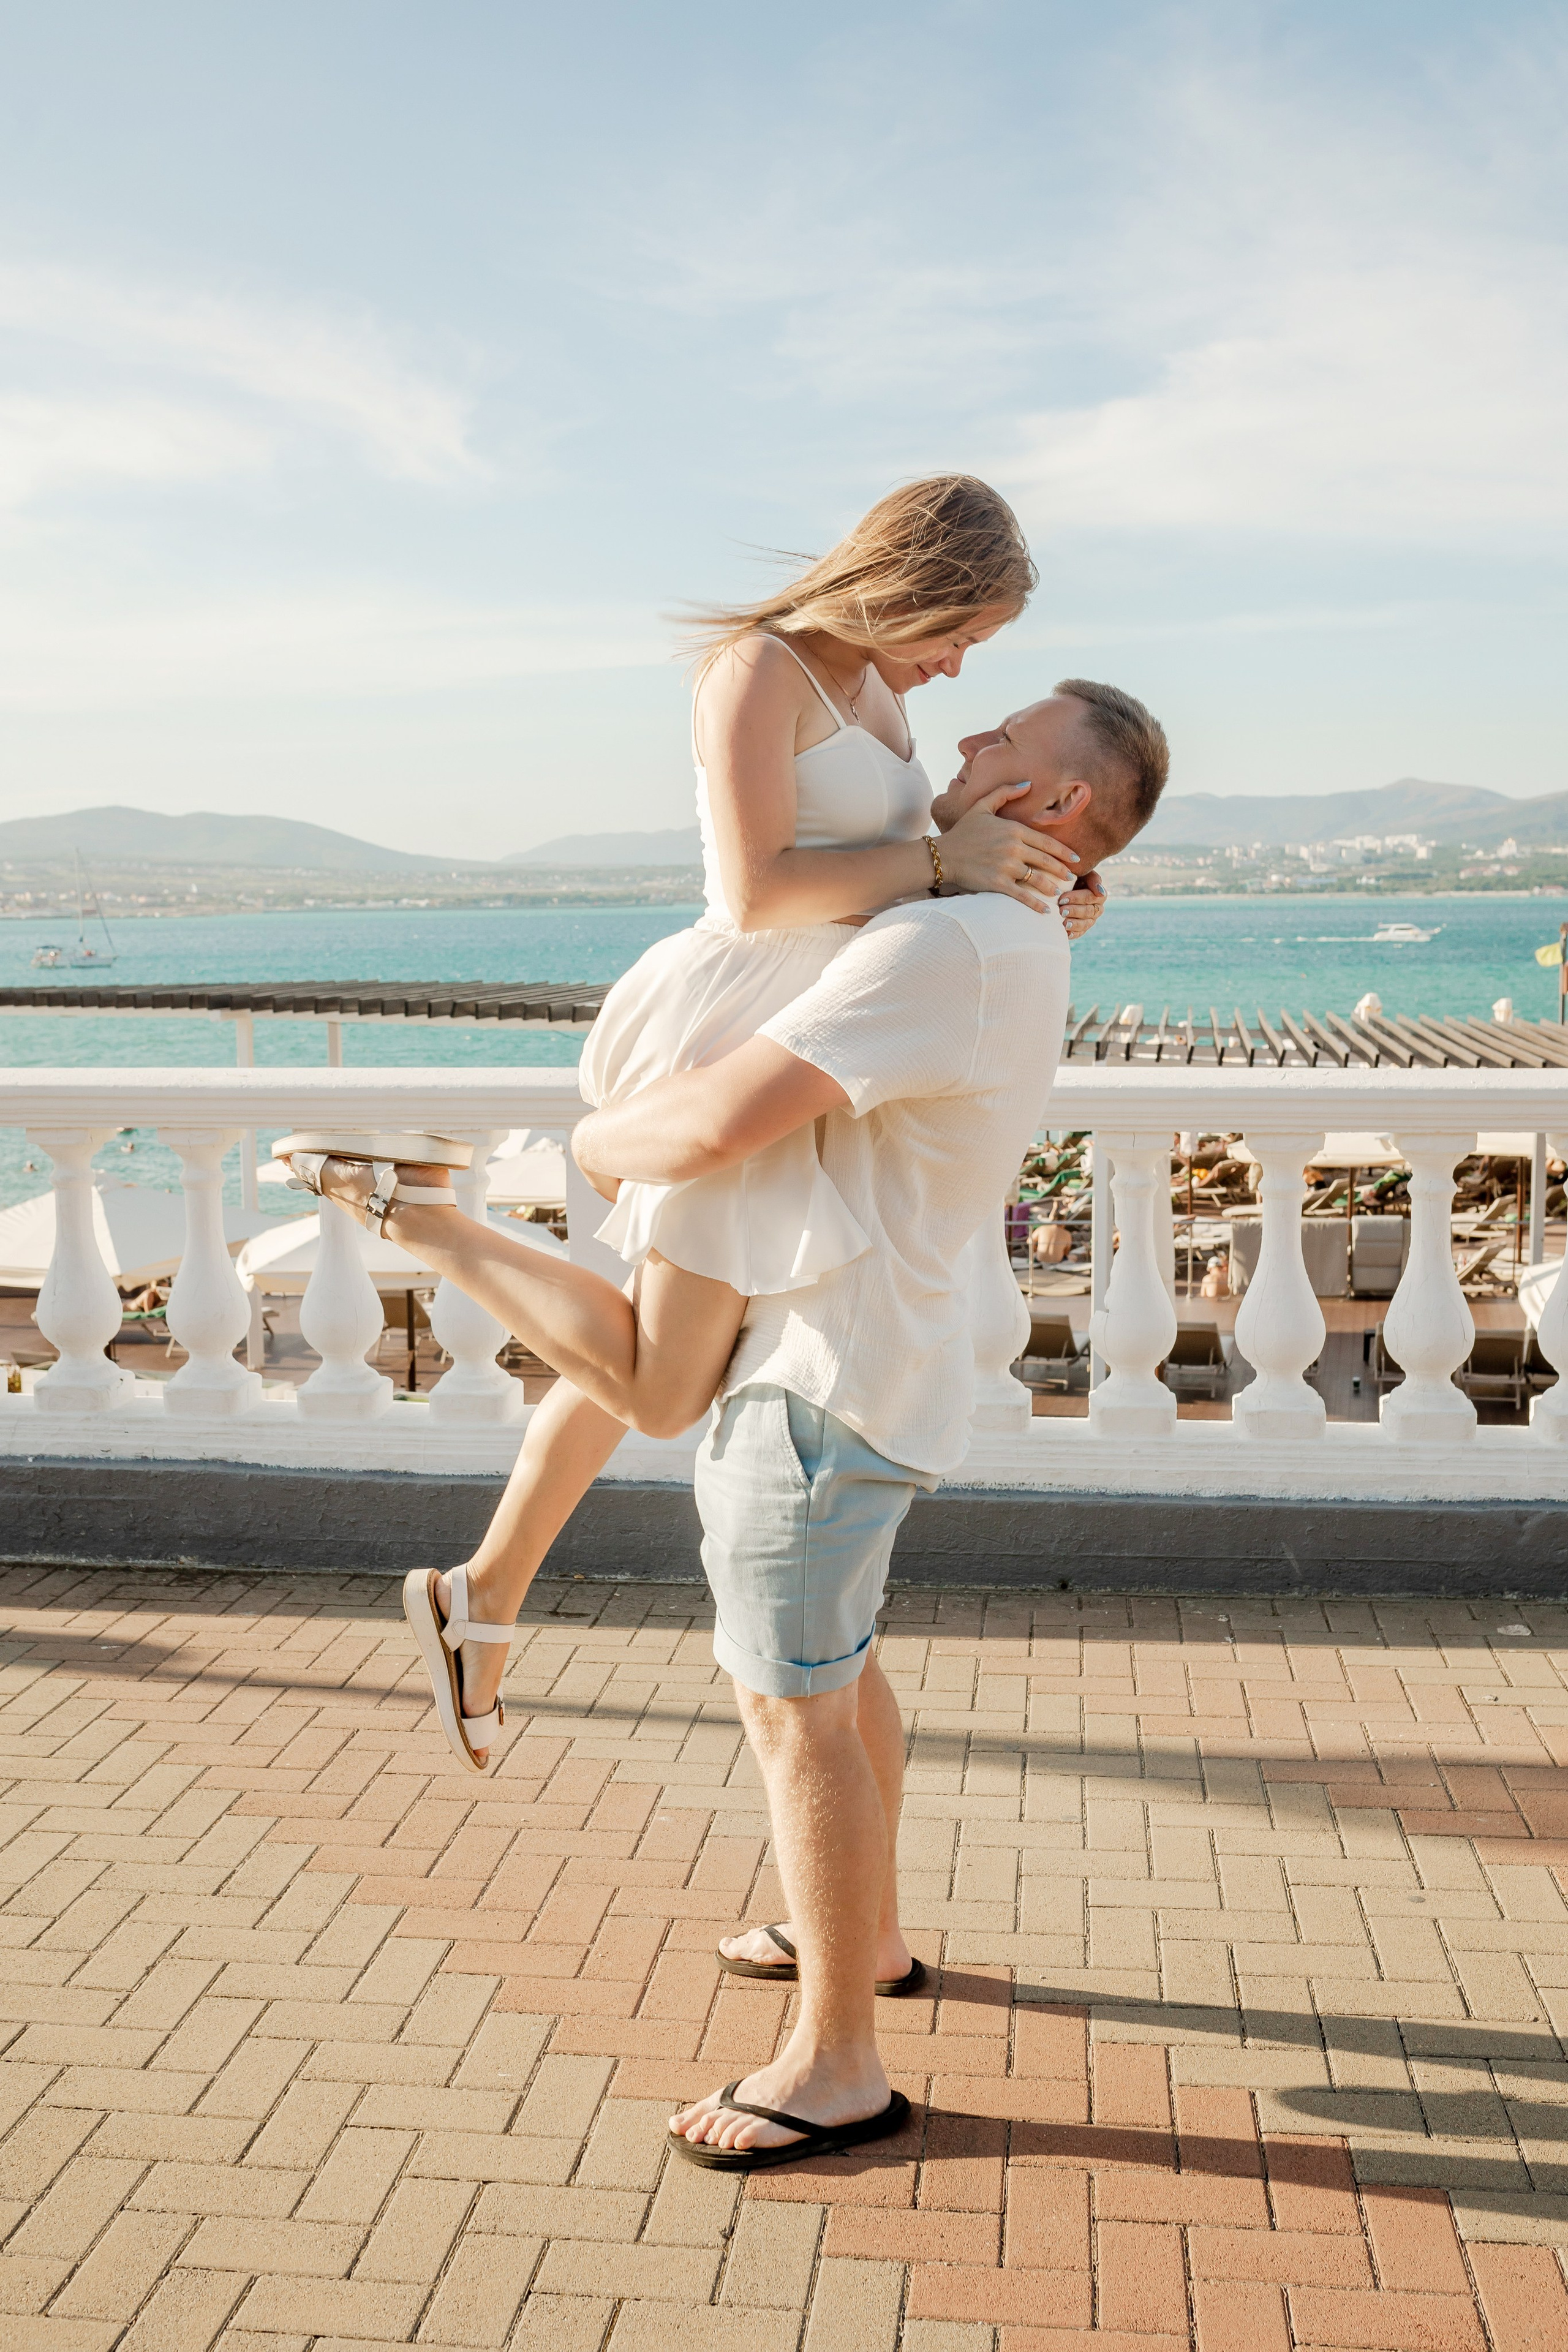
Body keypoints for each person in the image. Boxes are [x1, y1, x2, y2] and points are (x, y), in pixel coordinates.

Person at [281, 677, 1170, 2168]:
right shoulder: (988, 927)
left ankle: (835, 2063)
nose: (962, 741)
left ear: (1051, 805)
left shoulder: (951, 942)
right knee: (845, 1668)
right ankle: (865, 1944)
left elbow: (699, 1129)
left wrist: (579, 1140)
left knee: (794, 1713)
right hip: (873, 1356)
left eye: (998, 738)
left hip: (817, 1383)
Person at [286, 477, 1104, 1772]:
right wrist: (948, 870)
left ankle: (478, 1597)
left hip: (811, 1037)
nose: (952, 670)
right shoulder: (757, 666)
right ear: (906, 583)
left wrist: (1037, 886)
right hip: (728, 1023)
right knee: (662, 1380)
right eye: (955, 632)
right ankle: (422, 1221)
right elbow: (757, 884)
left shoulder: (883, 691)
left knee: (649, 1361)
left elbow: (906, 863)